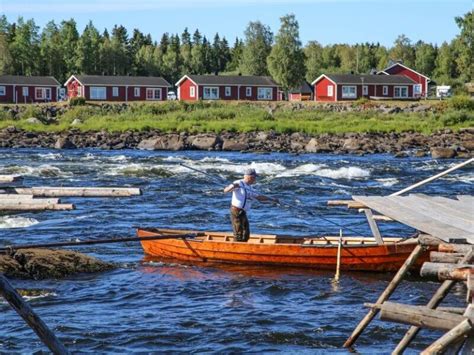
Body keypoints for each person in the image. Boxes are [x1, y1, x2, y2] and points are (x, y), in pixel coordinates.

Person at [223, 168, 278, 242]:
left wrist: (272, 199)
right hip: (236, 211)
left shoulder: (250, 188)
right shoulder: (239, 183)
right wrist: (233, 186)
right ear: (249, 177)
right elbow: (226, 190)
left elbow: (259, 197)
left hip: (243, 212)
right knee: (238, 233)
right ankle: (237, 248)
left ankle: (244, 246)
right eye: (254, 177)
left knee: (246, 233)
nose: (255, 179)